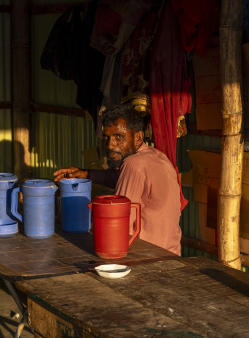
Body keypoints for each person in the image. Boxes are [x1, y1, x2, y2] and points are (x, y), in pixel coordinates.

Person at [54, 104, 182, 255]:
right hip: (172, 254)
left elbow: (118, 226)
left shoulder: (133, 164)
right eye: (107, 138)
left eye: (118, 137)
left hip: (148, 258)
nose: (110, 145)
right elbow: (120, 177)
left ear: (138, 137)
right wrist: (84, 173)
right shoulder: (159, 157)